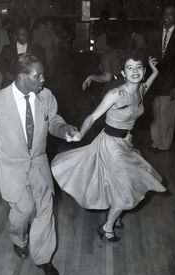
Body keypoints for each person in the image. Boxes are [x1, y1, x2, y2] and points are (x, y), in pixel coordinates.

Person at [0, 53, 78, 275]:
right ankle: (18, 238)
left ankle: (43, 258)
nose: (44, 79)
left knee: (45, 210)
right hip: (12, 171)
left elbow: (53, 120)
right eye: (38, 75)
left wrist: (63, 128)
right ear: (21, 75)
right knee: (24, 211)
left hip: (39, 165)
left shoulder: (46, 97)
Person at [51, 49, 166, 242]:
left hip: (125, 143)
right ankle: (107, 227)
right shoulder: (115, 94)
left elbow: (148, 83)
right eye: (130, 68)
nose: (135, 71)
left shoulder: (140, 89)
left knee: (121, 183)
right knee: (127, 188)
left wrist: (155, 71)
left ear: (143, 71)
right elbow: (93, 116)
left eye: (139, 68)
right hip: (110, 145)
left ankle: (115, 214)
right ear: (123, 73)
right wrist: (80, 134)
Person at [145, 4, 175, 151]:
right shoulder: (153, 34)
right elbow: (148, 59)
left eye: (171, 14)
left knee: (167, 117)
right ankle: (155, 142)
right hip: (155, 82)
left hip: (172, 83)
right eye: (165, 14)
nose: (167, 16)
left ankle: (165, 145)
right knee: (154, 115)